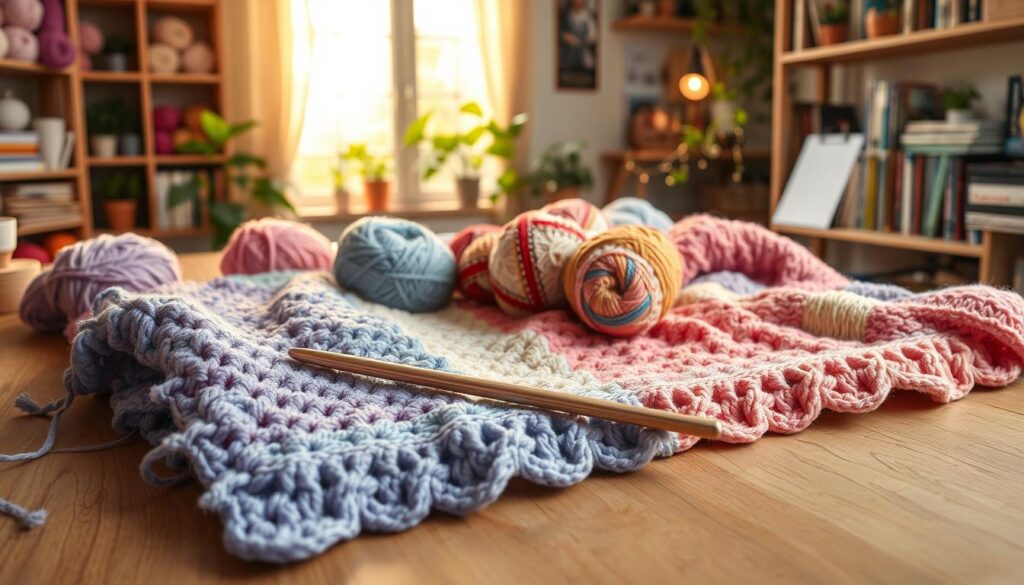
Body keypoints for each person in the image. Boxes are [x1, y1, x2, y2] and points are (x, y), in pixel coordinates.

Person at [559, 0, 596, 73]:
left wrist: (577, 40)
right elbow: (560, 32)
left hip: (583, 56)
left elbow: (592, 37)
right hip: (567, 57)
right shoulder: (566, 15)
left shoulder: (589, 17)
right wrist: (564, 36)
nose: (578, 2)